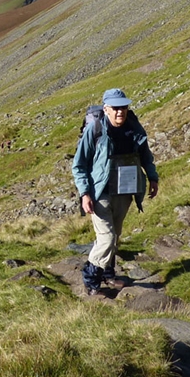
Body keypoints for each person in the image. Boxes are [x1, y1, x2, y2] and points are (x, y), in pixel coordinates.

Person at [71, 88, 159, 296]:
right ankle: (90, 277)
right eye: (116, 108)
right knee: (107, 238)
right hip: (100, 192)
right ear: (106, 109)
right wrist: (85, 193)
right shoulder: (96, 130)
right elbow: (79, 165)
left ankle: (108, 274)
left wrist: (153, 177)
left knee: (115, 236)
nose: (120, 112)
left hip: (125, 189)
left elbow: (145, 156)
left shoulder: (134, 129)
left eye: (124, 107)